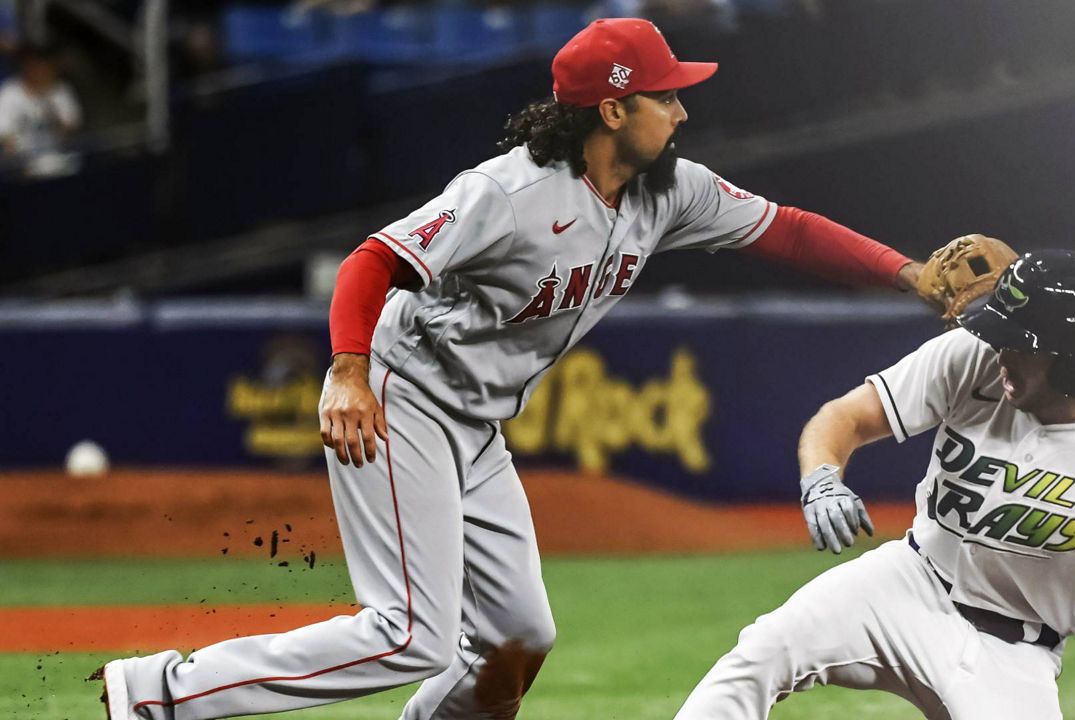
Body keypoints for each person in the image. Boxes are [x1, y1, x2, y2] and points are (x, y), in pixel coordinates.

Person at [93, 17, 930, 720]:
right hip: (401, 396)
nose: (680, 110)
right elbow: (369, 262)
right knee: (408, 632)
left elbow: (788, 229)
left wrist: (911, 274)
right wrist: (348, 369)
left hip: (476, 428)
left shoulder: (671, 190)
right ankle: (158, 693)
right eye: (665, 94)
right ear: (612, 108)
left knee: (519, 639)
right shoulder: (506, 193)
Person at [674, 250, 1075, 720]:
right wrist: (822, 479)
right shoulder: (974, 356)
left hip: (1011, 650)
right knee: (760, 654)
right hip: (906, 581)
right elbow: (845, 418)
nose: (1000, 350)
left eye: (1019, 343)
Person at [0, 42, 81, 177]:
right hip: (24, 169)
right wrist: (20, 167)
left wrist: (48, 106)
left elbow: (71, 130)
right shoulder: (9, 93)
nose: (39, 70)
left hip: (61, 166)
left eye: (44, 65)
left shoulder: (61, 91)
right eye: (34, 65)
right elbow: (6, 137)